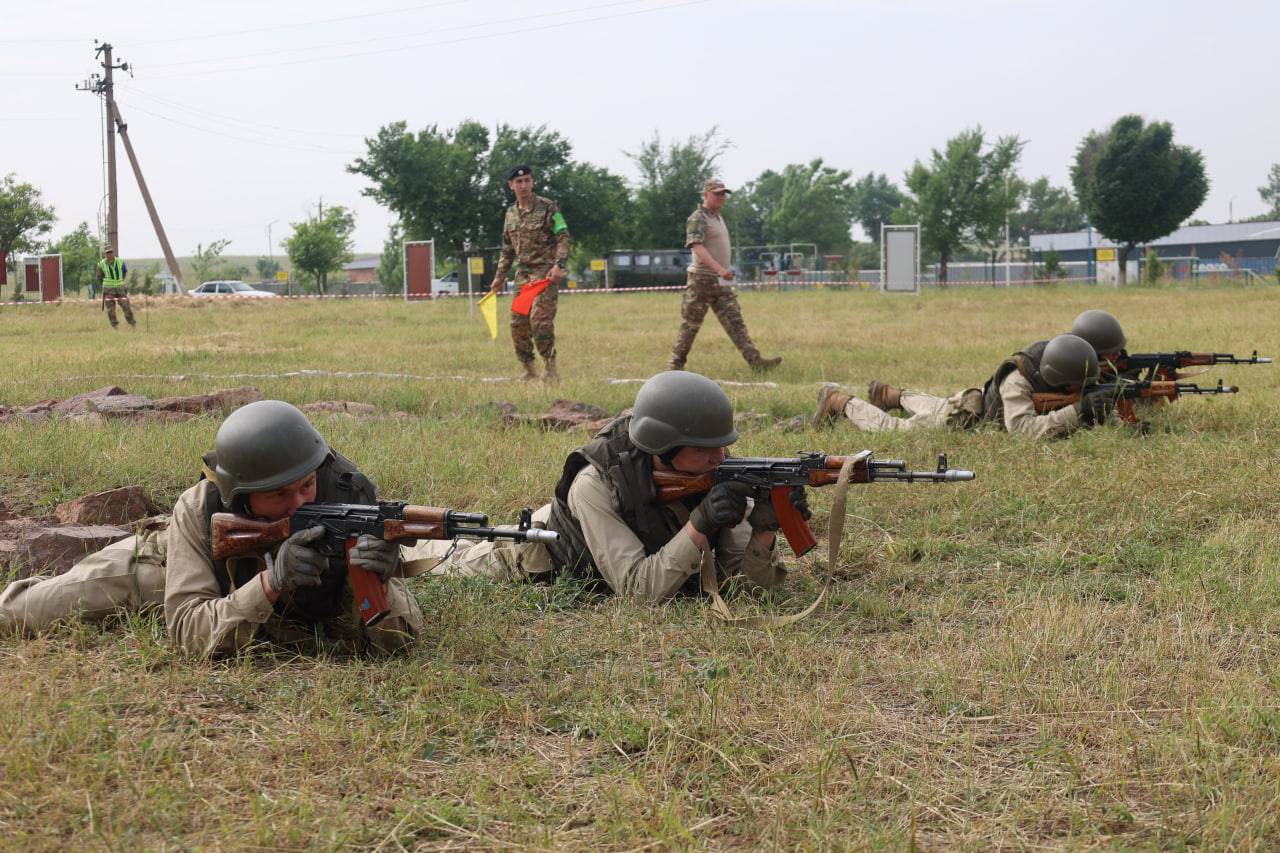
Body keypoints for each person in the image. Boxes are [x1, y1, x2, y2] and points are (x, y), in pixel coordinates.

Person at [0, 400, 422, 657]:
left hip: (297, 590)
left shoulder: (347, 497)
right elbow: (186, 631)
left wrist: (379, 576)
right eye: (279, 496)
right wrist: (271, 583)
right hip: (182, 564)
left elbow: (400, 643)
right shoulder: (200, 510)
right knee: (25, 611)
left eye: (306, 486)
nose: (300, 504)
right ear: (240, 495)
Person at [403, 371, 802, 602]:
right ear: (665, 447)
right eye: (705, 450)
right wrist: (699, 524)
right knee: (446, 561)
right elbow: (639, 593)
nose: (721, 458)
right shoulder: (594, 484)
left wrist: (764, 531)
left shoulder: (710, 468)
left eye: (723, 447)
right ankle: (407, 537)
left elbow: (747, 589)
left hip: (622, 544)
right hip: (539, 552)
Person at [813, 333, 1118, 438]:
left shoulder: (1058, 367)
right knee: (898, 430)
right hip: (966, 418)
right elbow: (1022, 431)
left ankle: (890, 394)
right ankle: (840, 401)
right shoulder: (1017, 382)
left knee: (937, 406)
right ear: (1059, 379)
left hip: (970, 401)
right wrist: (1077, 413)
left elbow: (1093, 402)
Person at [668, 179, 781, 373]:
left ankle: (756, 363)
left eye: (723, 194)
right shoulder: (698, 218)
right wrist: (719, 269)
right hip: (702, 279)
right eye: (717, 193)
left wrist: (723, 272)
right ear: (706, 195)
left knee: (735, 322)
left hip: (721, 280)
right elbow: (697, 246)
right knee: (691, 324)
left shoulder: (718, 217)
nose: (721, 197)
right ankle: (674, 367)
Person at [489, 164, 572, 382]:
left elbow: (563, 236)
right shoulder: (510, 214)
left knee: (539, 320)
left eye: (527, 180)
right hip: (523, 275)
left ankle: (550, 367)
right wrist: (499, 278)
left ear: (532, 182)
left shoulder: (548, 207)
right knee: (518, 323)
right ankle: (529, 370)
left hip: (545, 272)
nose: (524, 185)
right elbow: (507, 249)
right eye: (519, 182)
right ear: (511, 185)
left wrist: (559, 265)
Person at [97, 244, 136, 329]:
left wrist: (120, 280)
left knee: (126, 306)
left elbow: (125, 272)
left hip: (120, 289)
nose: (109, 254)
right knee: (111, 310)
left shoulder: (120, 262)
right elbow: (99, 277)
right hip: (108, 290)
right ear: (104, 254)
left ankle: (132, 324)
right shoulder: (101, 264)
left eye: (110, 252)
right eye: (107, 253)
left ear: (113, 253)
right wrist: (104, 286)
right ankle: (115, 327)